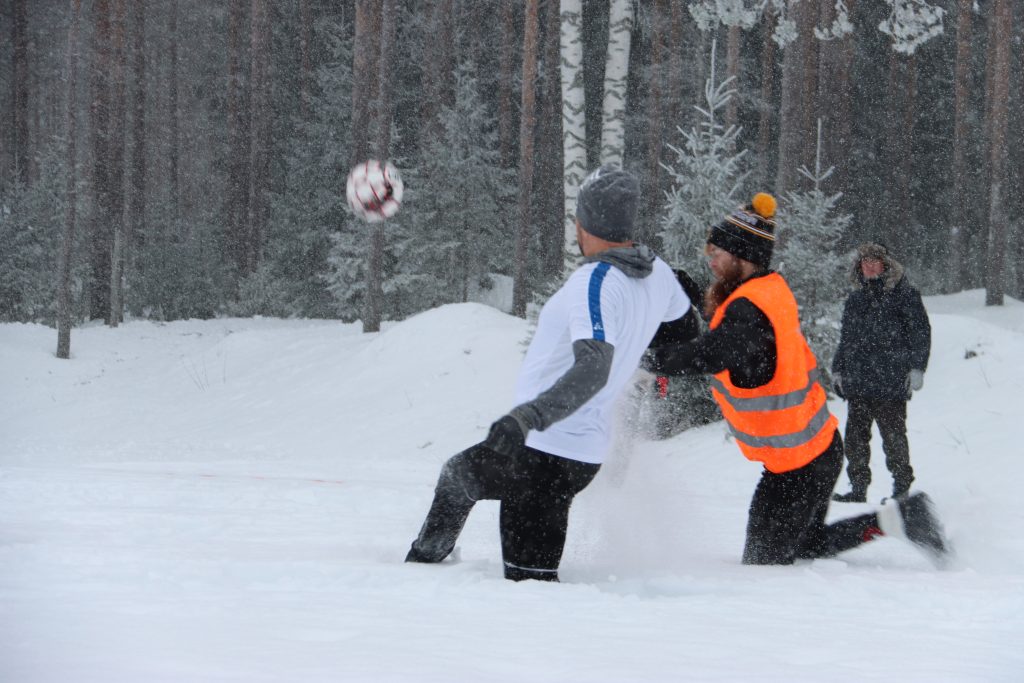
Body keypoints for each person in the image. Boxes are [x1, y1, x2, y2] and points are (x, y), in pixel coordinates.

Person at [405, 166, 692, 582]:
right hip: (572, 451)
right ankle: (420, 566)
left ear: (584, 223)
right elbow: (685, 330)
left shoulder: (595, 281)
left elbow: (593, 368)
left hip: (546, 454)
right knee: (459, 475)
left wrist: (528, 416)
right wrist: (638, 345)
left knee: (531, 592)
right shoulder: (657, 271)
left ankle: (427, 578)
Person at [646, 194, 949, 567]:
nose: (711, 259)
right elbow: (727, 326)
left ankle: (900, 519)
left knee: (767, 565)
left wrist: (646, 362)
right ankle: (900, 519)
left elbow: (714, 351)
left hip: (801, 463)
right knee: (799, 547)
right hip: (805, 454)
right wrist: (685, 289)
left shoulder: (750, 307)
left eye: (718, 252)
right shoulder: (763, 289)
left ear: (742, 255)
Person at [831, 242, 931, 503]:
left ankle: (901, 489)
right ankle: (858, 489)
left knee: (894, 438)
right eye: (865, 262)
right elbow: (846, 339)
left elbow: (920, 332)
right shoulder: (855, 300)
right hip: (858, 382)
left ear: (886, 264)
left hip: (891, 381)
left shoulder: (904, 295)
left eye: (875, 261)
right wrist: (838, 369)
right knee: (855, 440)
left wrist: (917, 367)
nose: (870, 266)